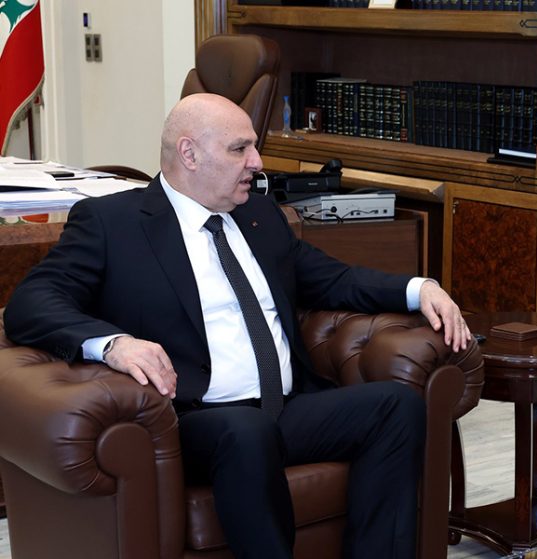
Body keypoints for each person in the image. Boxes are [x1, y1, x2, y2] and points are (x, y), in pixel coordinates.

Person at [3, 93, 473, 558]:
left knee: (395, 406)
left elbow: (334, 279)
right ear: (189, 153)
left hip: (285, 408)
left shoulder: (258, 215)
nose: (257, 162)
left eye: (253, 147)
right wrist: (113, 345)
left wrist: (420, 288)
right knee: (246, 431)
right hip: (194, 419)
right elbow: (31, 302)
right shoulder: (114, 223)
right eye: (239, 149)